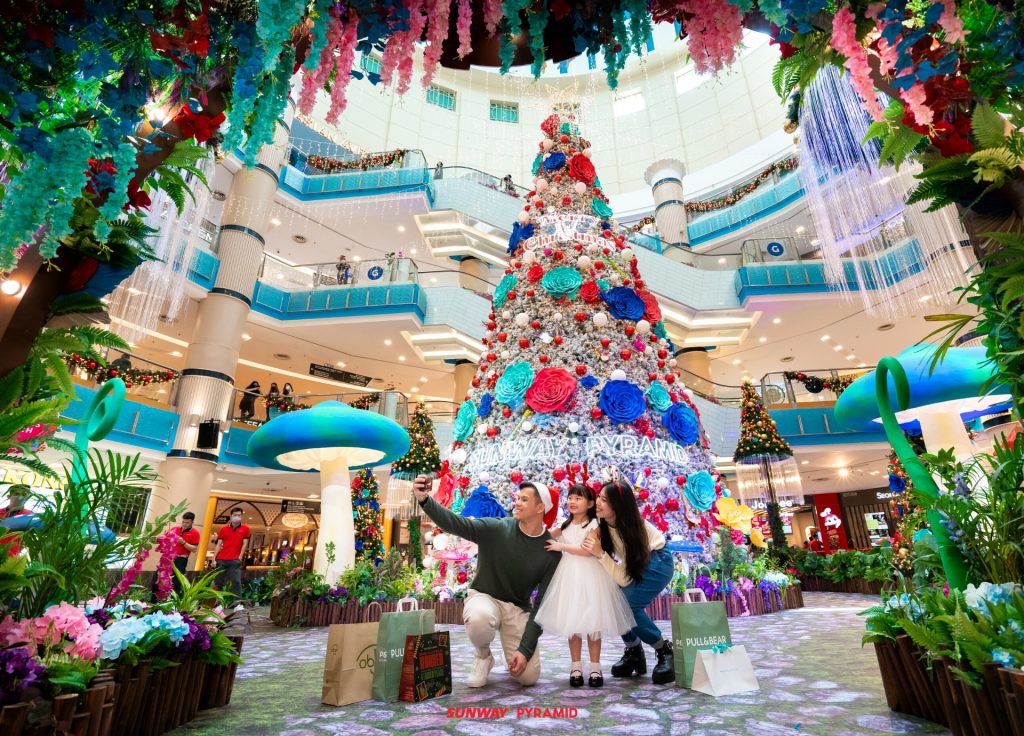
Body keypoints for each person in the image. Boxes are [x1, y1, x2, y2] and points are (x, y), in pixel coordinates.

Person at [412, 474, 560, 688]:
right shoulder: (497, 528)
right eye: (517, 498)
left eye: (524, 499)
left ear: (540, 508)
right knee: (479, 618)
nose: (516, 502)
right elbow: (457, 524)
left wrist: (524, 650)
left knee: (528, 677)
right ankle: (483, 657)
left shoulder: (551, 551)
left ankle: (512, 649)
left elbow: (542, 605)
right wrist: (425, 500)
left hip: (517, 609)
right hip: (485, 597)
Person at [536, 484, 635, 688]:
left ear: (590, 503)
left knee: (593, 625)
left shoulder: (595, 525)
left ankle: (596, 668)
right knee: (573, 624)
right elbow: (545, 536)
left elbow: (587, 550)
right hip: (569, 577)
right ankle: (576, 667)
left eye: (578, 498)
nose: (572, 501)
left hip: (592, 577)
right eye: (570, 497)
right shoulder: (564, 526)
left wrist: (561, 546)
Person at [582, 474, 676, 684]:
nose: (598, 502)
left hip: (658, 562)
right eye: (599, 497)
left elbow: (624, 579)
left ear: (619, 505)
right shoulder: (604, 525)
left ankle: (665, 650)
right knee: (615, 601)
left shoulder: (631, 530)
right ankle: (635, 653)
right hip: (639, 564)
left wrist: (600, 554)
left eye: (604, 500)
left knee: (625, 604)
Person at [213, 508, 251, 600]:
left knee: (236, 582)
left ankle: (237, 604)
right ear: (231, 516)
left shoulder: (245, 529)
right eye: (235, 515)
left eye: (239, 515)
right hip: (221, 559)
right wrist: (214, 558)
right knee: (218, 582)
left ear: (241, 516)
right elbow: (218, 544)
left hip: (235, 560)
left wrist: (240, 557)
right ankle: (216, 603)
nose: (237, 517)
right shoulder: (224, 529)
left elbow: (245, 544)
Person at [169, 512, 200, 594]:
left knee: (176, 582)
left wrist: (183, 543)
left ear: (192, 522)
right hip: (169, 557)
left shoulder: (195, 533)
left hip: (181, 559)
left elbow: (194, 549)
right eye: (183, 522)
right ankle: (153, 601)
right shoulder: (174, 529)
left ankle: (173, 603)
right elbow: (166, 540)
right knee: (159, 577)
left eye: (187, 522)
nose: (184, 524)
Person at [0, 485, 32, 557]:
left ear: (28, 497)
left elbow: (28, 540)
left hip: (12, 559)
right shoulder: (0, 512)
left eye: (24, 494)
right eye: (17, 494)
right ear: (9, 496)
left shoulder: (29, 516)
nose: (20, 497)